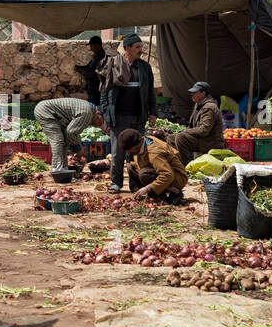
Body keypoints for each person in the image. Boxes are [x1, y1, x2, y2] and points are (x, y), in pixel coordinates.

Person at [98, 33, 156, 193]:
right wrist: (105, 112)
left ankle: (135, 183)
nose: (141, 50)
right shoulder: (114, 65)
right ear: (127, 48)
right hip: (119, 117)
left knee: (137, 153)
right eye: (137, 47)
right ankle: (116, 183)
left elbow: (150, 92)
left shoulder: (145, 68)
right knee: (117, 153)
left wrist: (153, 113)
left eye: (141, 47)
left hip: (138, 116)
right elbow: (104, 91)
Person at [34, 97, 106, 173]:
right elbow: (71, 132)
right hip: (45, 111)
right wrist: (78, 149)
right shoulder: (87, 113)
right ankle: (57, 170)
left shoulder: (88, 111)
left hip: (51, 112)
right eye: (100, 123)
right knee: (57, 139)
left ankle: (64, 169)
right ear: (98, 114)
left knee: (63, 140)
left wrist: (78, 147)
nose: (97, 126)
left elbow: (70, 133)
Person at [119, 128, 189, 203]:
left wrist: (148, 188)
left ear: (137, 145)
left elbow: (167, 175)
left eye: (130, 150)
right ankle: (149, 194)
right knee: (131, 167)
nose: (129, 153)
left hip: (177, 178)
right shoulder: (143, 143)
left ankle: (175, 191)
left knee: (144, 174)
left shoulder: (154, 152)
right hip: (160, 172)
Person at [166, 81, 227, 161]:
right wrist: (184, 130)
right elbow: (191, 126)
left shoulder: (209, 107)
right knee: (170, 138)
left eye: (195, 92)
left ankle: (184, 166)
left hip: (210, 142)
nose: (192, 94)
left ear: (203, 93)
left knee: (181, 138)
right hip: (201, 139)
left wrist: (185, 132)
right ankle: (175, 163)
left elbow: (204, 130)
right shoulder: (198, 105)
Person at [75, 35, 107, 107]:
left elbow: (94, 74)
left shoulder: (101, 58)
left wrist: (83, 72)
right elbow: (89, 66)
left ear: (97, 45)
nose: (91, 48)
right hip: (92, 88)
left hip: (96, 89)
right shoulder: (96, 56)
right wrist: (80, 67)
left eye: (91, 46)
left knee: (94, 109)